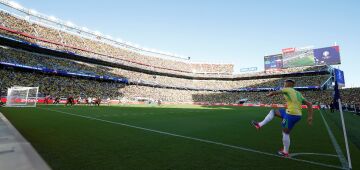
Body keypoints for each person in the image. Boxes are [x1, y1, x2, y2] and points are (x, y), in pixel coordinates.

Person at [251, 79, 313, 157]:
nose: (284, 84)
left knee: (285, 132)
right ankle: (259, 124)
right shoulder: (298, 93)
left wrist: (270, 94)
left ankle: (285, 152)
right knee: (273, 111)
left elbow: (276, 92)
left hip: (291, 115)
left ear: (288, 84)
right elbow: (309, 104)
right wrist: (310, 117)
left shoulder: (287, 89)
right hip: (294, 114)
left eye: (285, 83)